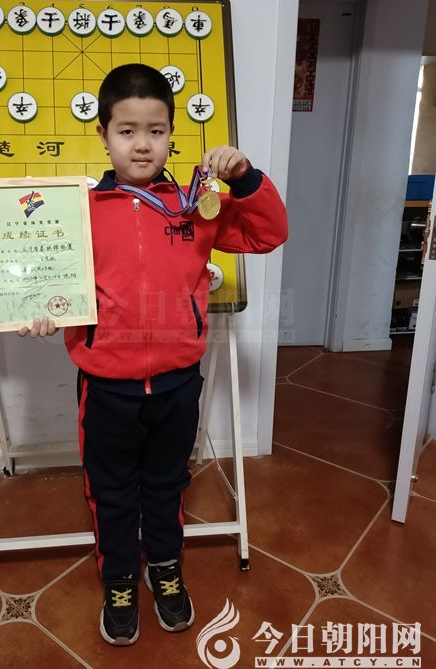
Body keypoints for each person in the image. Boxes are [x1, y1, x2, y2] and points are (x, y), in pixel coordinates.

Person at [19, 63, 288, 646]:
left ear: (170, 135)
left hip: (177, 382)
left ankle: (164, 567)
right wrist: (38, 309)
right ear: (103, 135)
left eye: (156, 131)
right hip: (106, 386)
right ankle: (119, 579)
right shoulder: (78, 210)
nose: (142, 144)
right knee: (111, 490)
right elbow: (45, 278)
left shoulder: (196, 205)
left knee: (167, 483)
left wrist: (244, 178)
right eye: (127, 131)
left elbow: (268, 234)